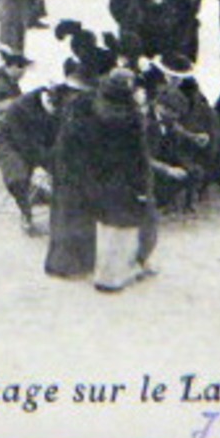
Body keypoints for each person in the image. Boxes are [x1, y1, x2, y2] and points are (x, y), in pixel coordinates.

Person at [51, 70, 164, 292]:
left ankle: (91, 265)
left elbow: (69, 140)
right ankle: (120, 266)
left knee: (94, 216)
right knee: (134, 215)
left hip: (93, 172)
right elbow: (137, 158)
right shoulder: (127, 116)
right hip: (104, 175)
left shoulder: (88, 105)